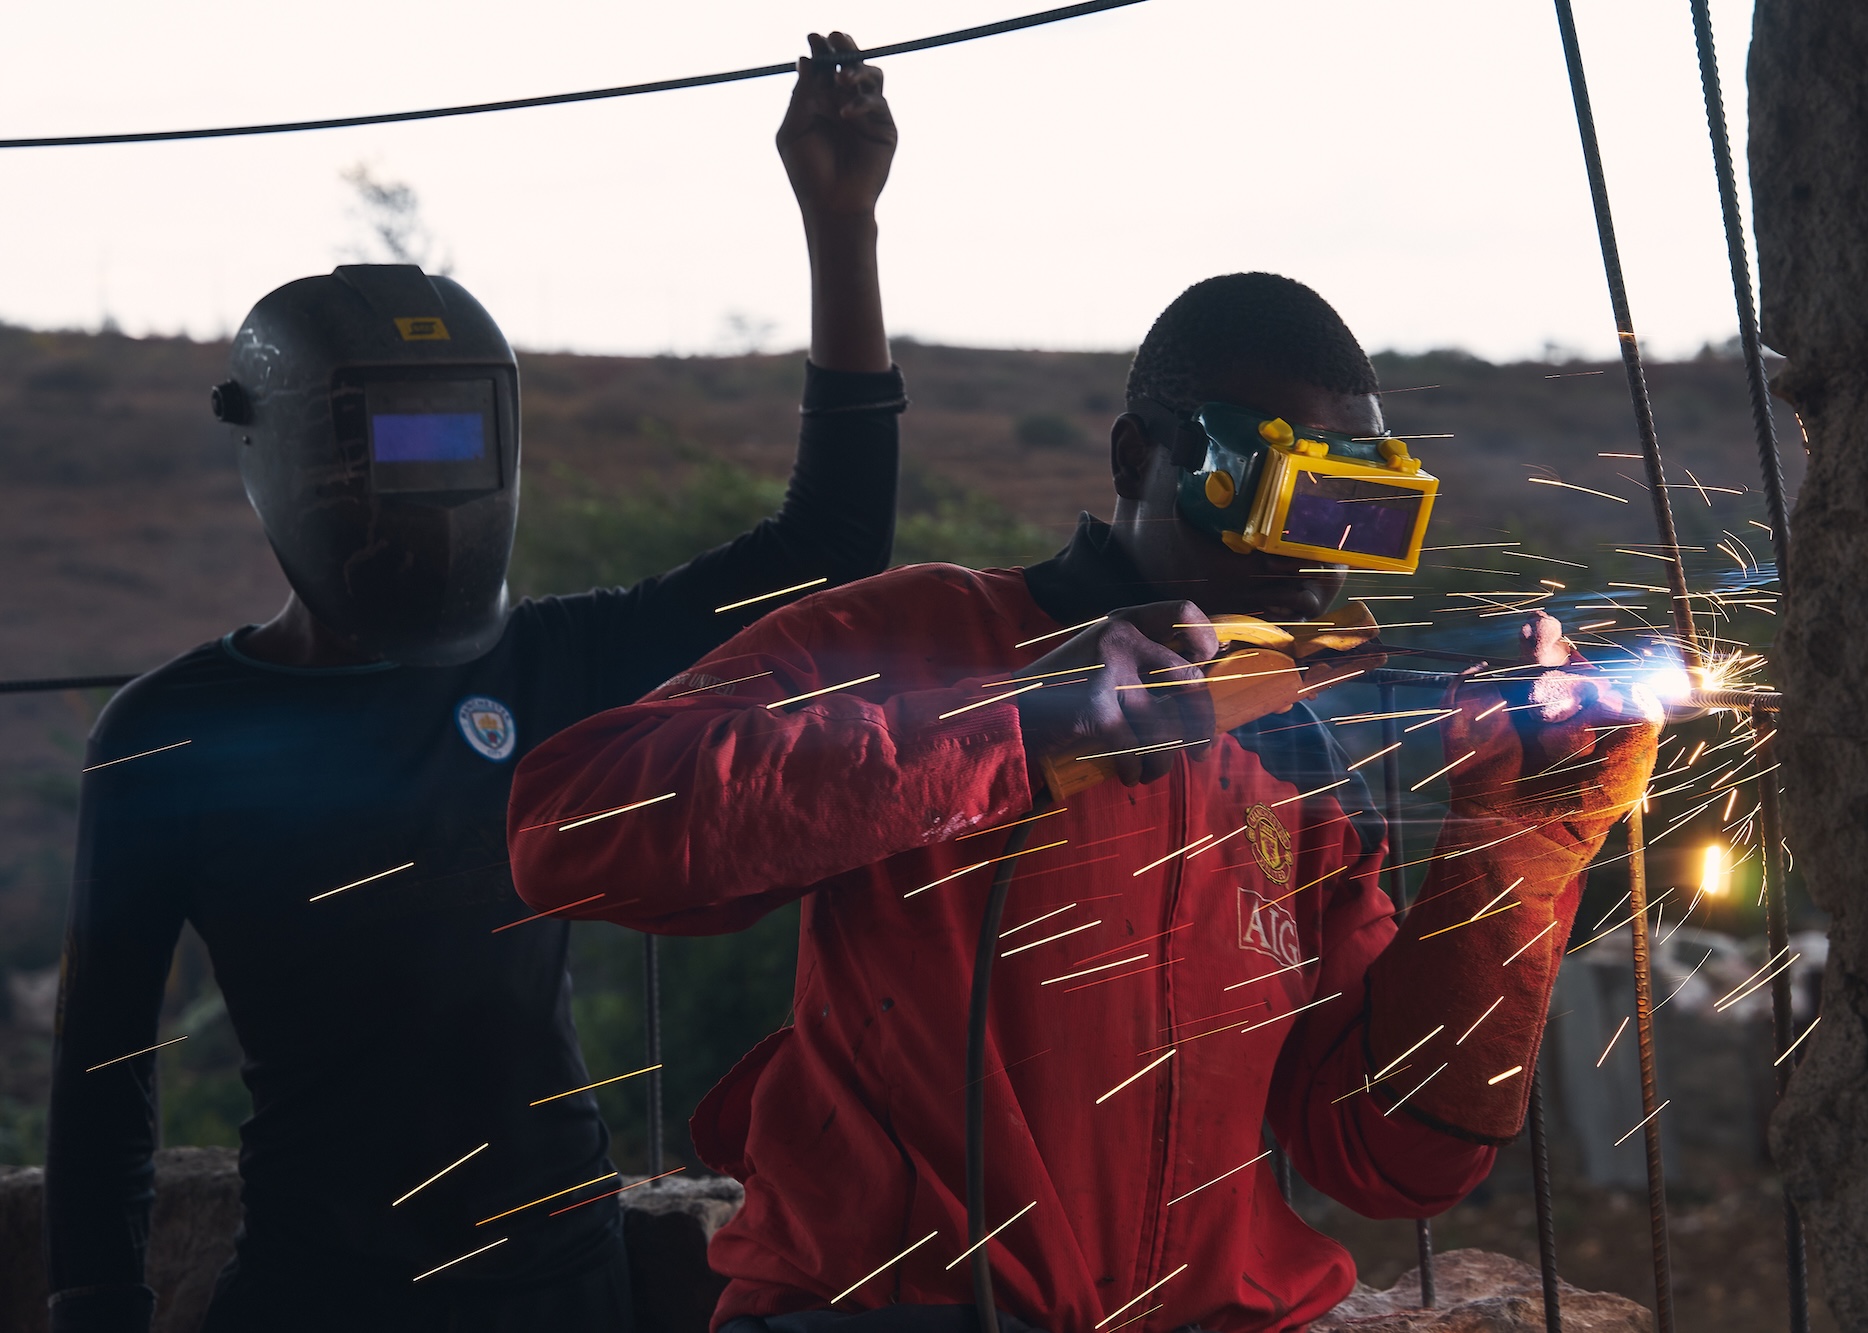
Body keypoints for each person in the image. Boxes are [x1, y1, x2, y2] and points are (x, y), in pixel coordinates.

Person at [506, 273, 1661, 1333]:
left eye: (1347, 519)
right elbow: (574, 830)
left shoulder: (1297, 755)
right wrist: (1021, 729)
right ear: (1131, 458)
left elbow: (1391, 1154)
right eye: (1268, 502)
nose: (1308, 567)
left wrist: (1517, 848)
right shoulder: (921, 636)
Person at [43, 33, 900, 1333]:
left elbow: (826, 552)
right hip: (319, 1300)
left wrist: (842, 228)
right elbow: (105, 1075)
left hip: (566, 1287)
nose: (419, 496)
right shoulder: (173, 738)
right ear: (282, 455)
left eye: (450, 440)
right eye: (384, 445)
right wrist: (91, 1307)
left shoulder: (545, 664)